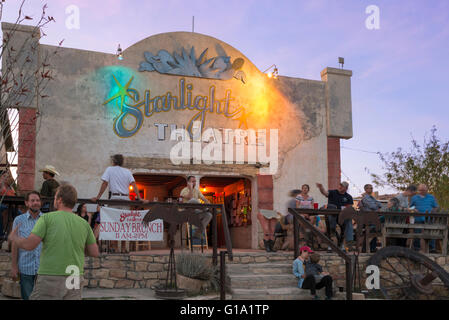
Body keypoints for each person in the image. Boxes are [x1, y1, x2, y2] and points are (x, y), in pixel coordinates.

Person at [8, 184, 99, 300]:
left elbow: (29, 245)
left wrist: (14, 237)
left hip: (50, 276)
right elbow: (94, 252)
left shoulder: (46, 219)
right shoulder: (84, 224)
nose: (54, 200)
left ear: (60, 200)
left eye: (55, 197)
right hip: (74, 275)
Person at [91, 154, 147, 253]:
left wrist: (98, 197)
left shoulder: (110, 169)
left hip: (115, 198)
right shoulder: (127, 171)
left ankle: (116, 247)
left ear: (113, 161)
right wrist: (139, 198)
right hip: (126, 199)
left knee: (114, 223)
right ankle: (124, 247)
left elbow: (105, 183)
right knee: (124, 223)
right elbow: (133, 184)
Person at [10, 191, 43, 300]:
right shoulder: (19, 220)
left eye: (37, 200)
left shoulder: (46, 220)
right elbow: (15, 245)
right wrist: (14, 266)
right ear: (26, 203)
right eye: (32, 200)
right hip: (25, 268)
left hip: (43, 270)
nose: (35, 203)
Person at [316, 181, 354, 250]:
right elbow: (325, 193)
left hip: (342, 217)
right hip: (331, 216)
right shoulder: (333, 192)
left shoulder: (348, 197)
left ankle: (344, 243)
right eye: (340, 185)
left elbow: (350, 207)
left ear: (346, 188)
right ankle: (331, 243)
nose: (340, 187)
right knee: (331, 207)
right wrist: (321, 188)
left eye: (342, 186)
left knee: (347, 222)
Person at [409, 184, 439, 253]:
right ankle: (416, 250)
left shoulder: (431, 197)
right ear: (418, 190)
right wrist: (414, 210)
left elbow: (436, 207)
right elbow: (410, 208)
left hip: (429, 220)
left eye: (424, 190)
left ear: (427, 190)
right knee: (417, 234)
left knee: (431, 234)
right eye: (420, 190)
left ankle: (432, 249)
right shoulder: (414, 198)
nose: (422, 191)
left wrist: (434, 210)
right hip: (418, 219)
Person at [358, 184, 382, 252]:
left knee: (374, 231)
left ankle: (370, 248)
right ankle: (368, 248)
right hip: (368, 218)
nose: (371, 190)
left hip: (372, 218)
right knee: (372, 231)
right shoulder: (366, 198)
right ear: (365, 189)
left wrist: (376, 205)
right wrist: (376, 206)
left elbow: (380, 205)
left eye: (372, 188)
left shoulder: (372, 197)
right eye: (369, 188)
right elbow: (373, 206)